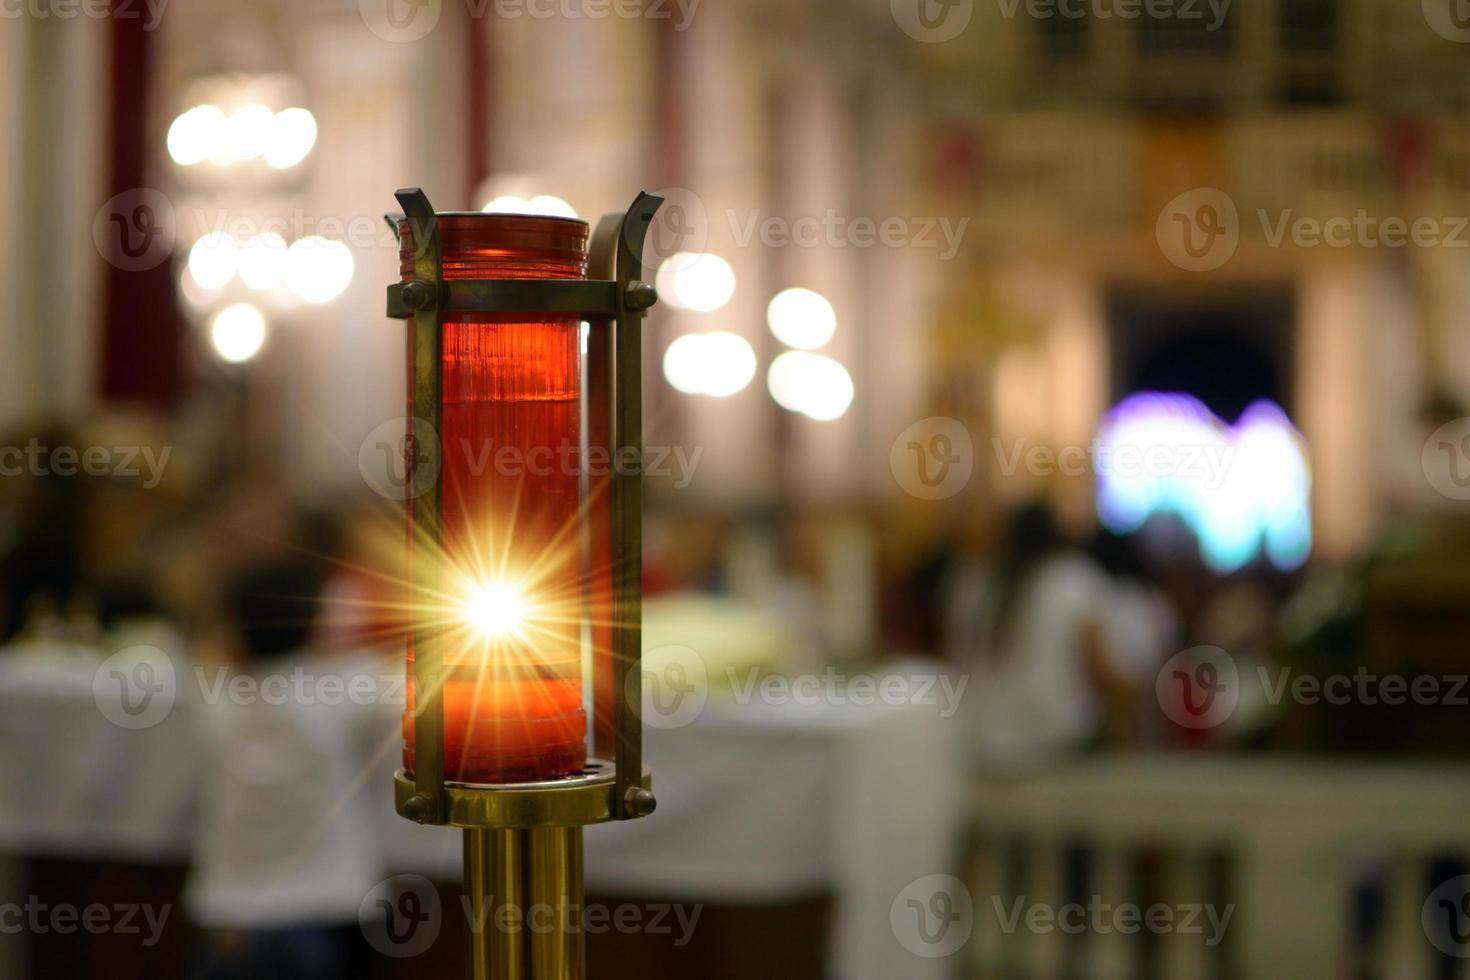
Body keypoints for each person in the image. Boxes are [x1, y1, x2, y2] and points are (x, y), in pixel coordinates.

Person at [186, 557, 395, 980]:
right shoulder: (344, 691)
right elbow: (408, 683)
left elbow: (203, 656)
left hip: (233, 916)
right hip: (327, 908)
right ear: (317, 622)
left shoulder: (215, 701)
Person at [946, 501, 1147, 772]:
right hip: (1057, 742)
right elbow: (1102, 670)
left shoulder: (972, 582)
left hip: (982, 742)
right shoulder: (1072, 578)